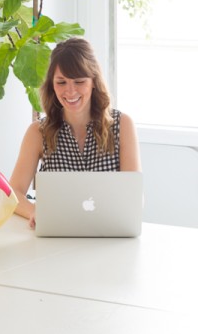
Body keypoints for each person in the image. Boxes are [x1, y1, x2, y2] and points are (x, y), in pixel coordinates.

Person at [9, 37, 141, 228]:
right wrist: (35, 211)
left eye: (79, 81)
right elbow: (13, 192)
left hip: (108, 233)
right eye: (61, 82)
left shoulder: (123, 125)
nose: (70, 92)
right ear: (52, 85)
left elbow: (134, 195)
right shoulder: (38, 132)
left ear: (93, 81)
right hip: (55, 235)